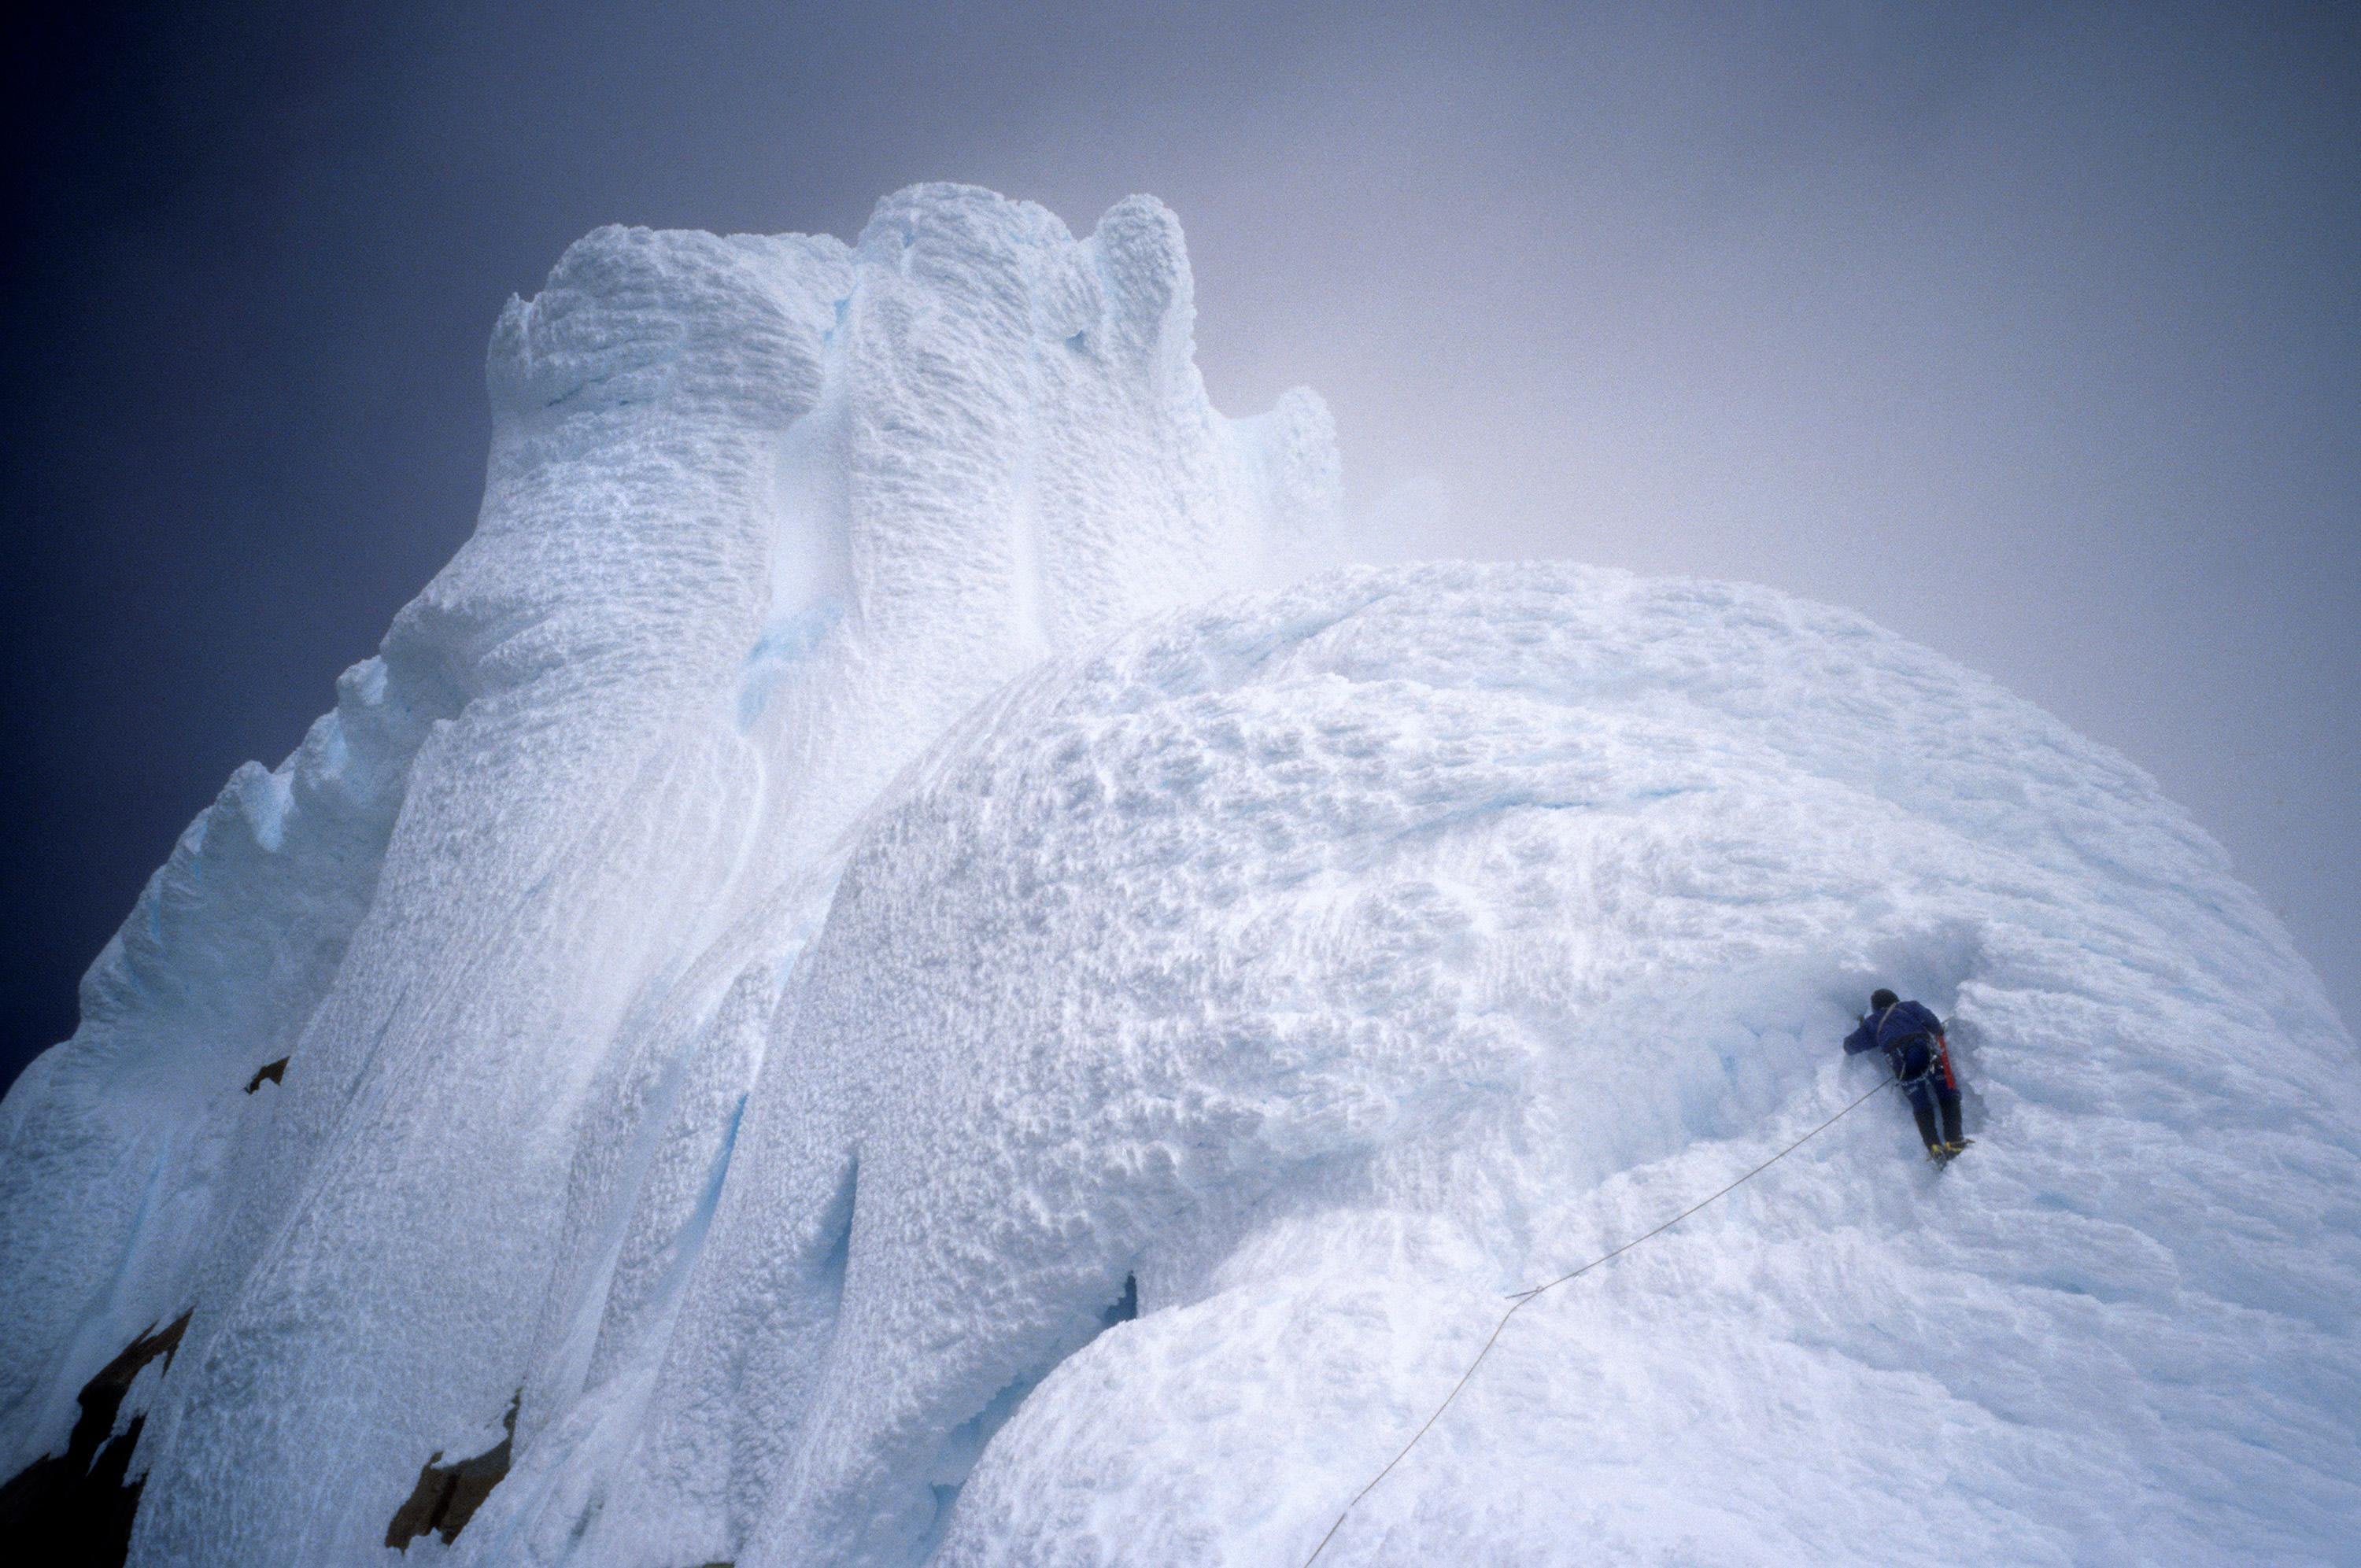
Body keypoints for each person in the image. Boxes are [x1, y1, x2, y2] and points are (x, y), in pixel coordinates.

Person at [1845, 988, 1970, 1160]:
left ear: (1875, 1007)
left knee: (1921, 1104)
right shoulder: (1910, 1007)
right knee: (1946, 1094)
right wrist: (1938, 1030)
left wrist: (1863, 1028)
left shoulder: (1872, 1022)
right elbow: (1933, 1023)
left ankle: (1934, 1146)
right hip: (1927, 1054)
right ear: (1895, 1000)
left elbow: (1850, 1046)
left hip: (1901, 1064)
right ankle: (1954, 1140)